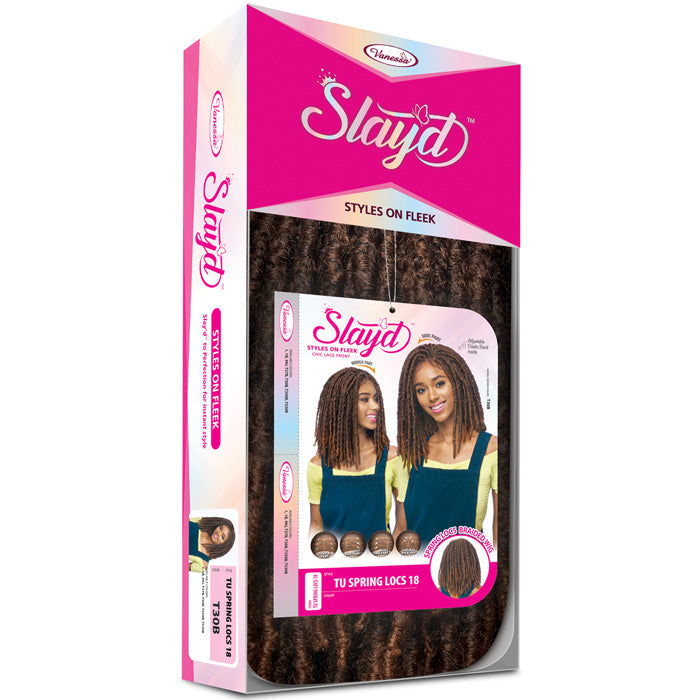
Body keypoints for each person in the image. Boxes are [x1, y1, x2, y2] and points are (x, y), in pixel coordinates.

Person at [394, 343, 497, 548]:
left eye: (439, 383)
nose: (432, 396)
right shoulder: (411, 453)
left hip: (468, 567)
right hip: (417, 566)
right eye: (421, 390)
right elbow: (401, 531)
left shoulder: (492, 451)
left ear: (458, 383)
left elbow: (500, 539)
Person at [307, 367, 401, 541]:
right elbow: (316, 527)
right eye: (364, 399)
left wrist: (391, 557)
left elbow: (403, 527)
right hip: (334, 557)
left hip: (380, 556)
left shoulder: (392, 458)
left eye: (376, 399)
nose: (375, 406)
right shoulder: (318, 467)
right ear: (342, 405)